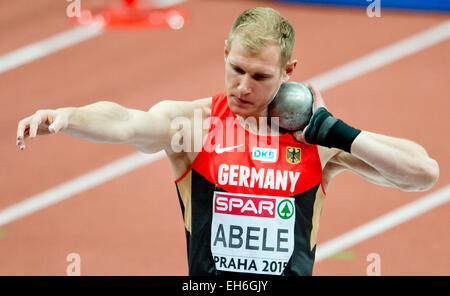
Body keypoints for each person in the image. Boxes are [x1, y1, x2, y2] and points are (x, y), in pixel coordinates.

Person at [16, 7, 439, 276]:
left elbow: (421, 174)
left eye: (259, 76)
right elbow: (126, 122)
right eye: (235, 68)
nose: (242, 87)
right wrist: (66, 117)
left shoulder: (315, 136)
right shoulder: (193, 124)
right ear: (224, 51)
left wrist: (336, 131)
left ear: (289, 70)